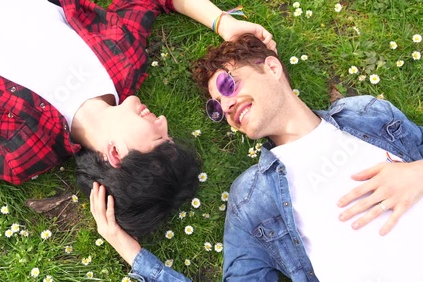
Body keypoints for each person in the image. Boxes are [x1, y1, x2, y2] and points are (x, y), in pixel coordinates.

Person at [0, 0, 275, 238]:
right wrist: (225, 23)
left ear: (115, 155)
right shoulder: (123, 60)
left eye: (159, 139)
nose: (163, 120)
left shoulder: (20, 153)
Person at [90, 34, 423, 281]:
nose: (226, 106)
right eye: (217, 107)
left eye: (228, 84)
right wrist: (130, 251)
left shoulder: (366, 113)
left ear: (273, 68)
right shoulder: (250, 199)